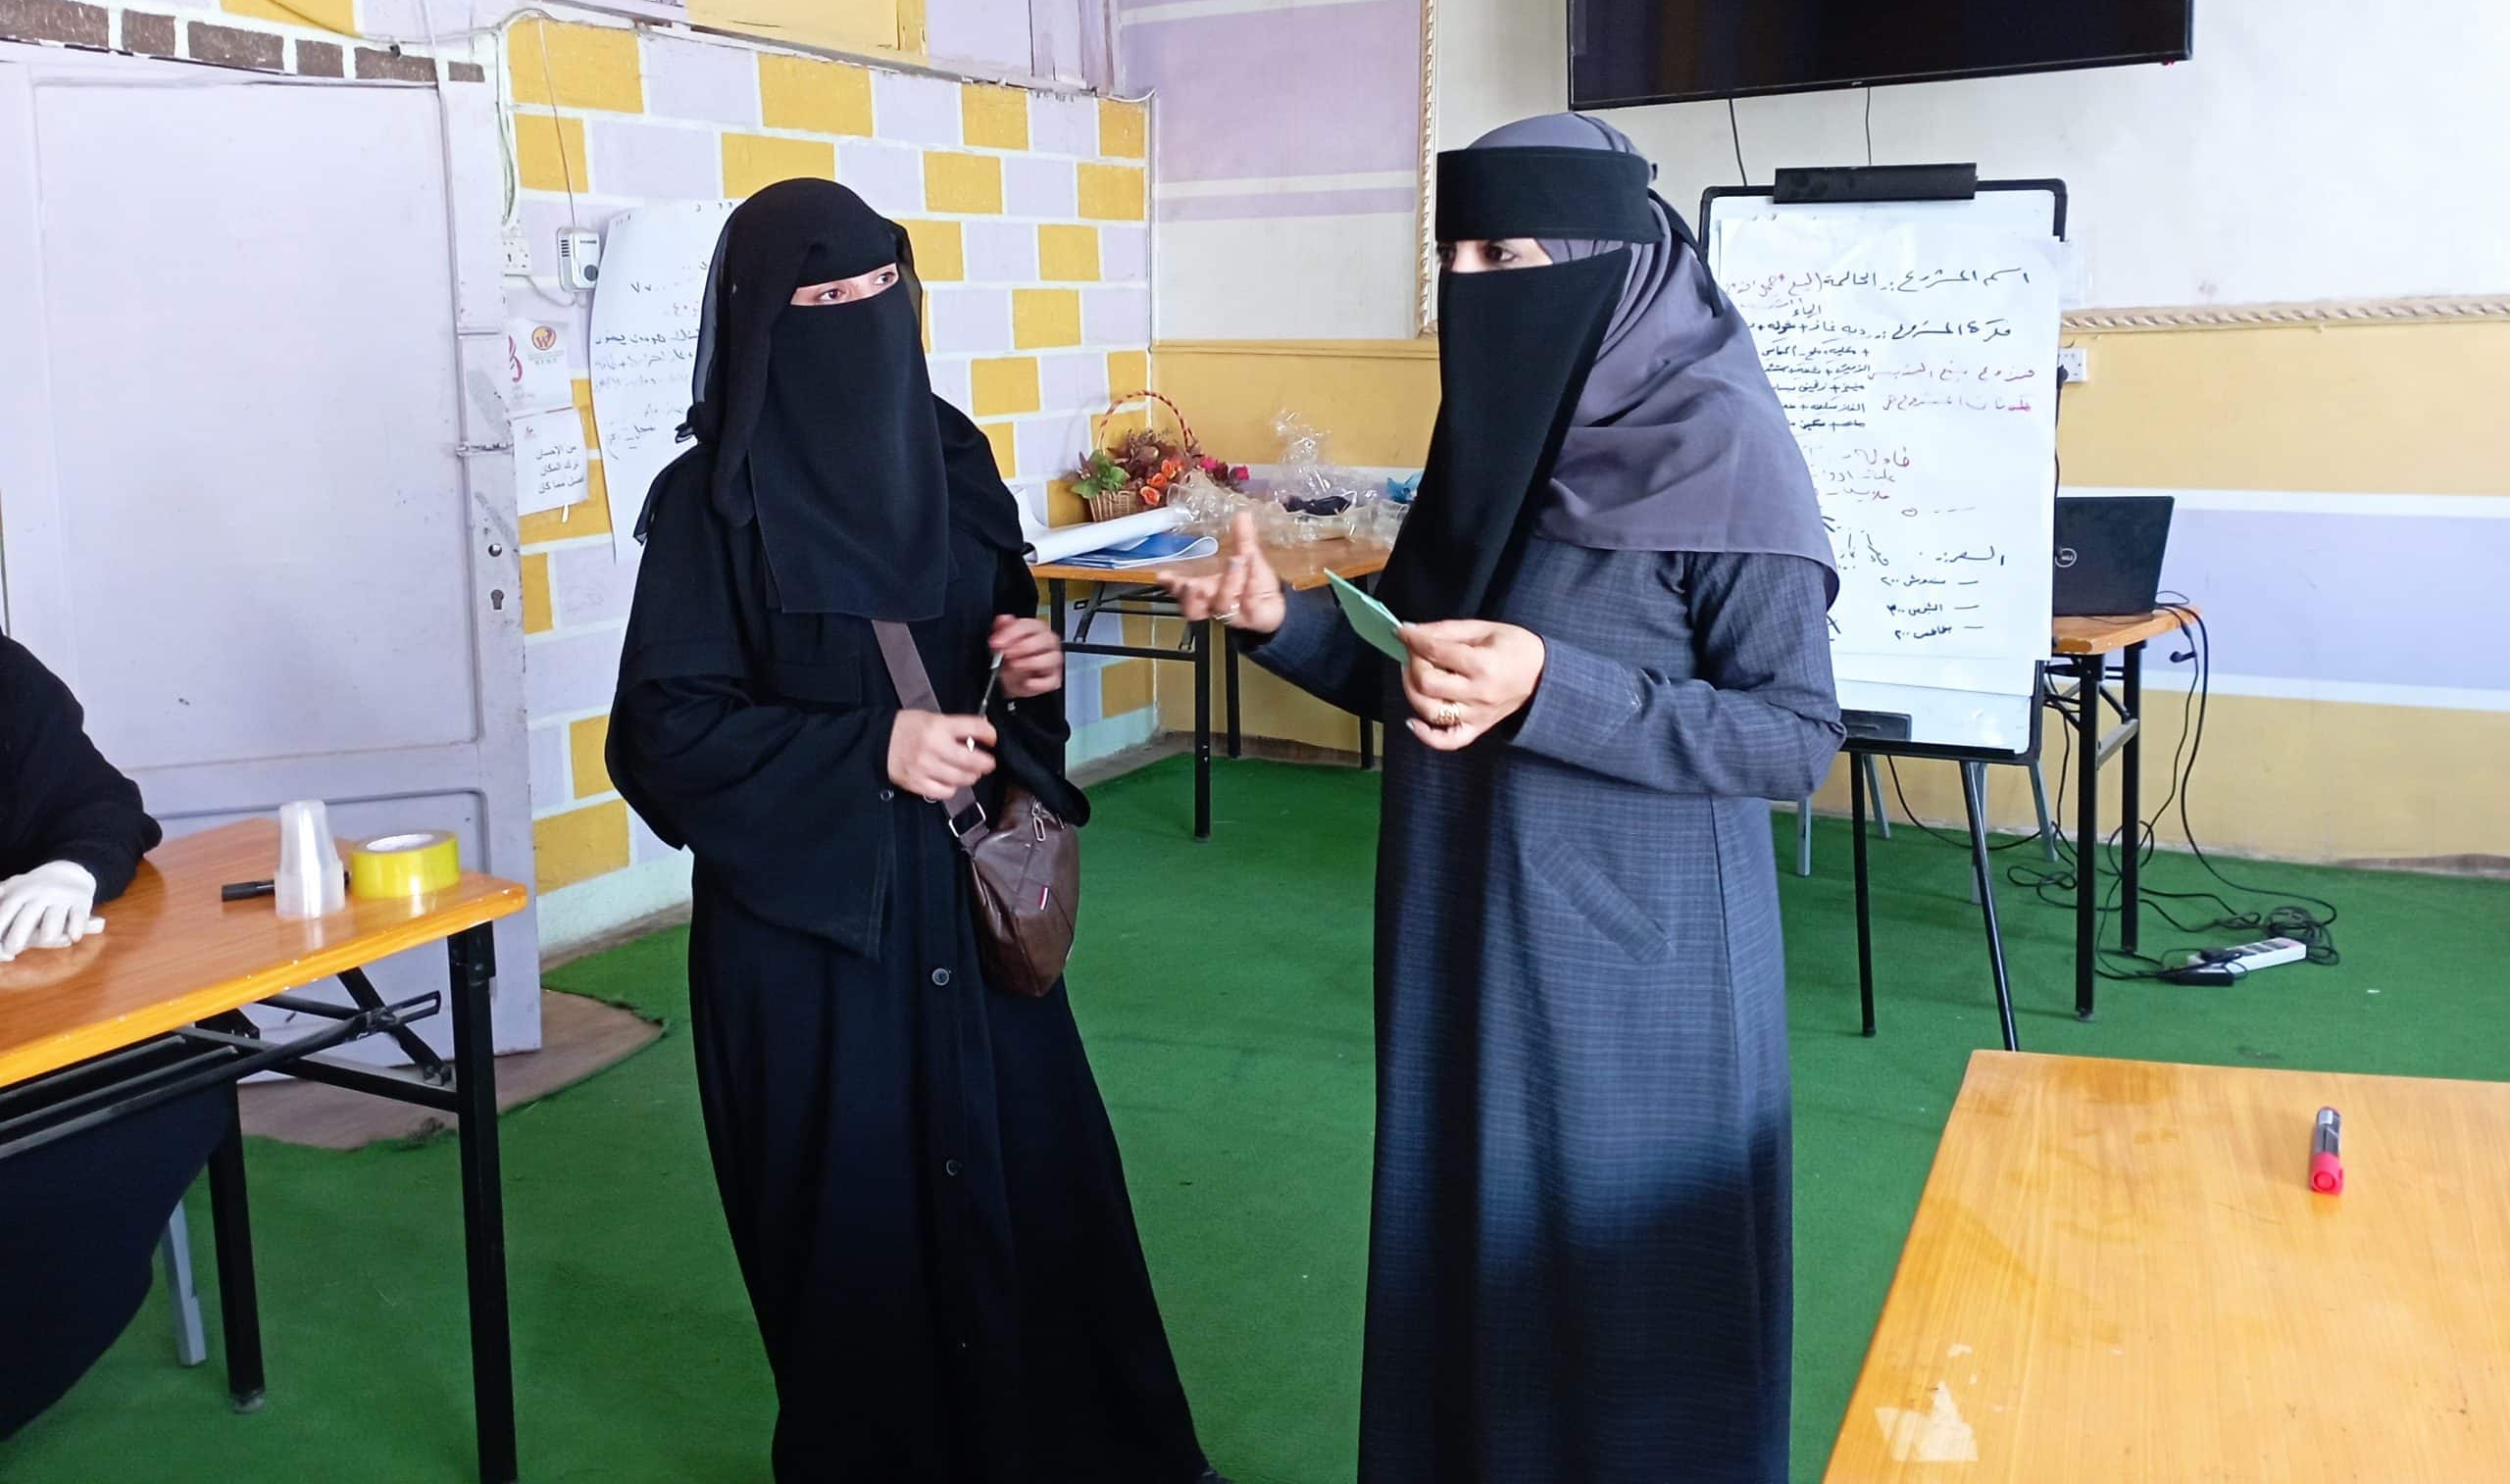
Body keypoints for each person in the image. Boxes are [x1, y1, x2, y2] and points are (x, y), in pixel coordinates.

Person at [1165, 114, 1844, 1484]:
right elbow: (1417, 669)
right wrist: (1280, 623)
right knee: (1472, 1265)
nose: (1475, 286)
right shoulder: (1497, 443)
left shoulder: (1723, 449)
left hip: (1638, 966)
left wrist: (1552, 688)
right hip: (1461, 934)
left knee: (1627, 1290)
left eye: (1509, 255)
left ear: (1612, 259)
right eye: (1457, 257)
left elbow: (1792, 738)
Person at [606, 179, 1216, 1484]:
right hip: (812, 936)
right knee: (853, 1229)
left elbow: (998, 640)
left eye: (879, 287)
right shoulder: (711, 504)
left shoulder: (946, 454)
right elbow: (662, 733)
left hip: (962, 906)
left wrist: (1029, 675)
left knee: (1041, 1194)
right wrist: (868, 749)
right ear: (759, 322)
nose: (857, 314)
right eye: (821, 298)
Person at [0, 634, 228, 1440]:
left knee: (180, 1081)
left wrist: (71, 869)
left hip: (39, 1034)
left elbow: (103, 806)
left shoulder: (3, 677)